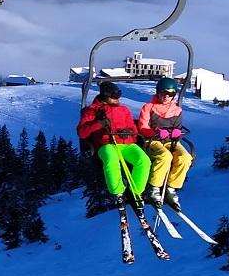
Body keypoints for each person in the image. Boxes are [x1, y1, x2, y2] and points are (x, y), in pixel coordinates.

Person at [77, 80, 150, 204]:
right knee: (111, 160)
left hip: (126, 144)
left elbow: (133, 129)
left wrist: (128, 132)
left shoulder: (124, 110)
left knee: (143, 160)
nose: (117, 99)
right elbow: (82, 132)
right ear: (105, 96)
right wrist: (98, 124)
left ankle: (136, 191)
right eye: (114, 96)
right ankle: (118, 191)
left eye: (118, 95)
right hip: (106, 144)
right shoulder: (92, 110)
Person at [137, 76, 192, 209]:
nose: (166, 97)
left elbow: (177, 128)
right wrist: (155, 132)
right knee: (165, 156)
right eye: (163, 93)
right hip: (153, 141)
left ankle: (171, 188)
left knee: (185, 157)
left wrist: (177, 133)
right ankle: (154, 188)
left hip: (170, 142)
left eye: (170, 94)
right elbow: (143, 127)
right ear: (158, 92)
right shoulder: (149, 107)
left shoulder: (177, 111)